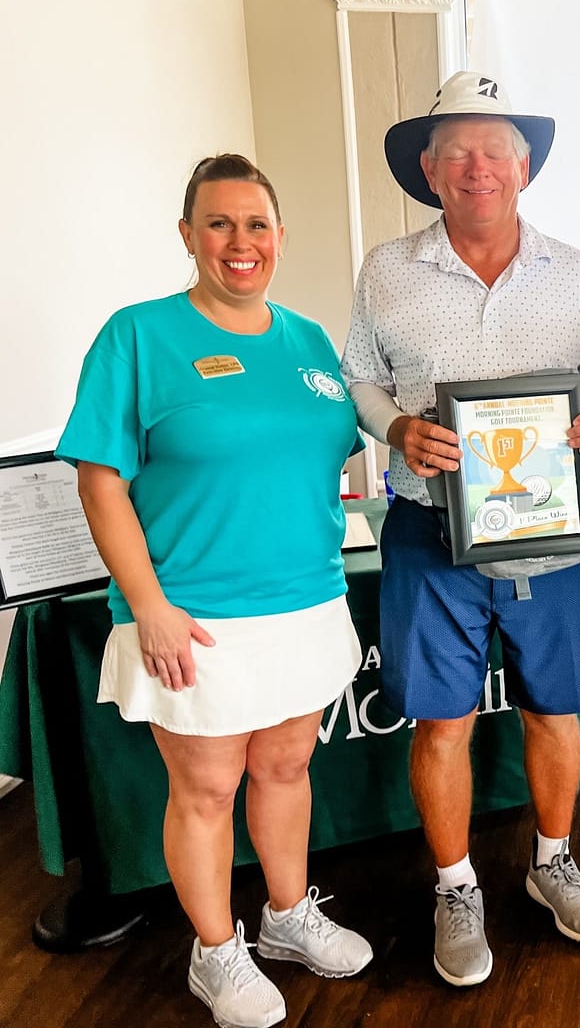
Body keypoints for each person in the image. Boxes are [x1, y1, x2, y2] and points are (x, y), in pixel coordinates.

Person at [57, 155, 373, 1028]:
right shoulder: (138, 336)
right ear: (190, 235)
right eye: (221, 224)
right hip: (193, 615)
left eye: (258, 224)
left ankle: (285, 917)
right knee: (206, 790)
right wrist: (147, 604)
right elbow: (100, 481)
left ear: (279, 236)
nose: (242, 242)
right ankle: (216, 952)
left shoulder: (310, 341)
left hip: (306, 600)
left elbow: (319, 458)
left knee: (286, 767)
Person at [340, 72, 580, 987]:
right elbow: (360, 380)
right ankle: (456, 887)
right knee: (443, 724)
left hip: (558, 535)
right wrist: (395, 428)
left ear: (526, 166)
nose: (477, 168)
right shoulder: (387, 269)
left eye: (495, 150)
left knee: (555, 710)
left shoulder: (575, 272)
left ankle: (552, 861)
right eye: (456, 151)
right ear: (428, 168)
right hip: (433, 533)